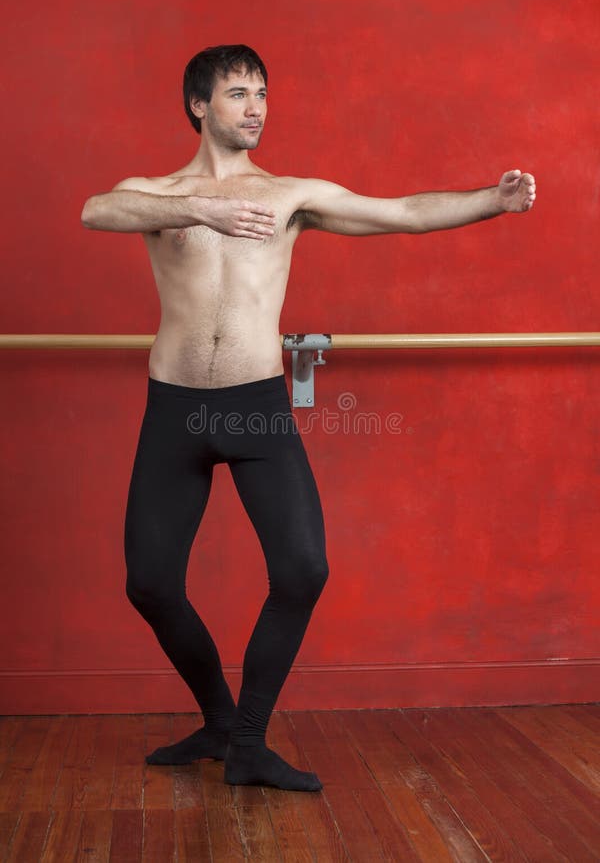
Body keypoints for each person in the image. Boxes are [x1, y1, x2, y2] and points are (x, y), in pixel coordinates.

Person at [80, 44, 536, 792]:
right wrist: (202, 206)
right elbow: (97, 209)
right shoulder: (156, 195)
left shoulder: (289, 196)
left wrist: (493, 198)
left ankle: (249, 741)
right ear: (199, 105)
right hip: (176, 412)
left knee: (303, 568)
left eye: (261, 92)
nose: (255, 106)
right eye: (236, 93)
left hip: (257, 406)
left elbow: (403, 215)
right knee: (150, 583)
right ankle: (219, 720)